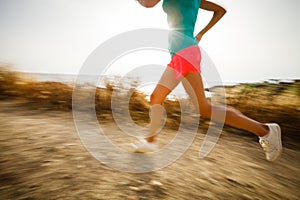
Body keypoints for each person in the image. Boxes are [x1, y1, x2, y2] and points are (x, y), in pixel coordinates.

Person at [133, 0, 282, 162]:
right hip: (183, 52)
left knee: (192, 105)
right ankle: (150, 141)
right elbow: (220, 11)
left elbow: (148, 4)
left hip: (183, 52)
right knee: (192, 105)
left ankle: (265, 130)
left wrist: (201, 34)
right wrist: (201, 33)